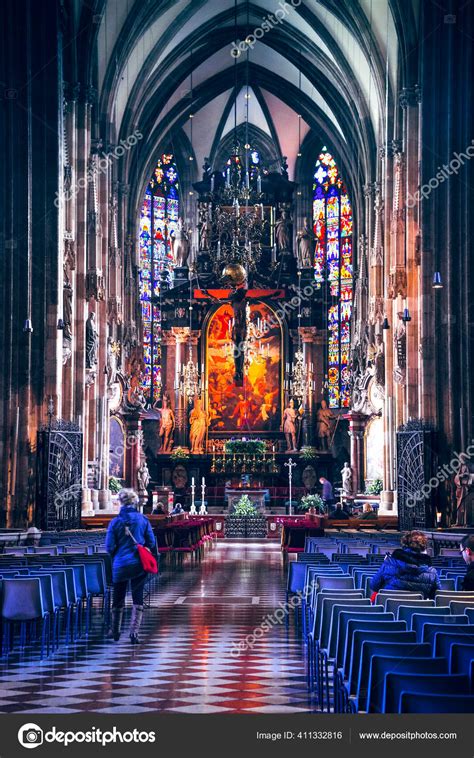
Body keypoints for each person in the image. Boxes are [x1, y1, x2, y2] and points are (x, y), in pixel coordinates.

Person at [105, 488, 156, 644]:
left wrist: (118, 554)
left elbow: (109, 546)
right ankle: (134, 632)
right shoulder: (143, 520)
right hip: (138, 564)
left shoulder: (114, 522)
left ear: (120, 502)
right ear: (134, 502)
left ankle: (115, 630)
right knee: (137, 597)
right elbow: (152, 542)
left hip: (120, 565)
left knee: (118, 597)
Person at [370, 530, 441, 599]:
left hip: (389, 608)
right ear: (424, 547)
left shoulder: (389, 563)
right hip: (418, 609)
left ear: (404, 544)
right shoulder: (432, 572)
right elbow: (436, 596)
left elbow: (374, 586)